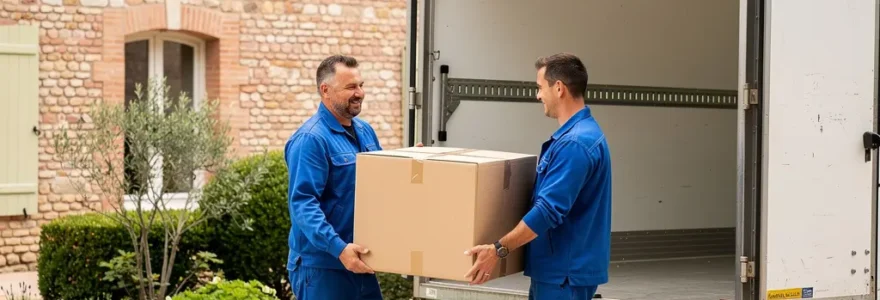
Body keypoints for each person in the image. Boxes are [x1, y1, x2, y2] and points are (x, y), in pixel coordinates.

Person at [463, 53, 613, 300]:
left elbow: (548, 211)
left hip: (563, 276)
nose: (538, 95)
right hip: (561, 272)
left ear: (559, 88)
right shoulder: (578, 136)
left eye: (540, 88)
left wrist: (498, 249)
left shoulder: (575, 143)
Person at [284, 55, 385, 300]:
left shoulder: (364, 130)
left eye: (361, 85)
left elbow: (382, 181)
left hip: (360, 260)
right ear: (325, 90)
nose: (359, 93)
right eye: (350, 87)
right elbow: (303, 204)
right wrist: (339, 249)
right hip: (323, 267)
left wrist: (413, 163)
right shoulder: (311, 139)